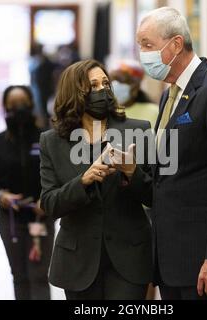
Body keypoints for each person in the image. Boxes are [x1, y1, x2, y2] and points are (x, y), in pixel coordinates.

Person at [136, 7, 207, 300]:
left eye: (147, 45)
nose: (142, 54)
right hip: (170, 259)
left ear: (175, 44)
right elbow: (165, 175)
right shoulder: (168, 96)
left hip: (204, 261)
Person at [39, 59, 153, 300]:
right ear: (75, 93)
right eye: (93, 86)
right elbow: (50, 203)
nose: (102, 91)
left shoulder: (138, 130)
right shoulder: (52, 141)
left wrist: (133, 172)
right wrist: (83, 181)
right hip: (78, 261)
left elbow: (156, 195)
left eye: (105, 84)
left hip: (129, 258)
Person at [0, 85, 54, 300]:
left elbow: (58, 175)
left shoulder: (46, 139)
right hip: (10, 219)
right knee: (19, 276)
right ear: (5, 107)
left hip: (41, 217)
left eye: (22, 102)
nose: (18, 108)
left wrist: (47, 199)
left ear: (31, 104)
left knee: (39, 275)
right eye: (13, 104)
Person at [110, 60, 159, 128]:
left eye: (120, 80)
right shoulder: (104, 112)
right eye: (112, 80)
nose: (114, 84)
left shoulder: (154, 112)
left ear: (135, 87)